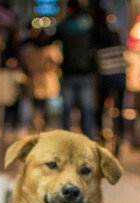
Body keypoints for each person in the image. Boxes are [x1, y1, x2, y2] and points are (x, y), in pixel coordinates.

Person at [54, 0, 96, 138]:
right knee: (86, 109)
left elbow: (50, 40)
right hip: (85, 72)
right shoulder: (89, 25)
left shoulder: (63, 26)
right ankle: (87, 138)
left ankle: (66, 137)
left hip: (69, 72)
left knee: (67, 109)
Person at [94, 8, 127, 154]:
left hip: (106, 76)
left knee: (100, 110)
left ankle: (101, 139)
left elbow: (96, 60)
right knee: (118, 111)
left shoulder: (96, 36)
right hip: (120, 75)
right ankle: (118, 142)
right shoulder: (115, 34)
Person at [19, 27, 62, 132]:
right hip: (42, 81)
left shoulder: (44, 49)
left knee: (43, 105)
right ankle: (39, 124)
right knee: (39, 104)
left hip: (41, 80)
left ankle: (41, 124)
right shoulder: (49, 50)